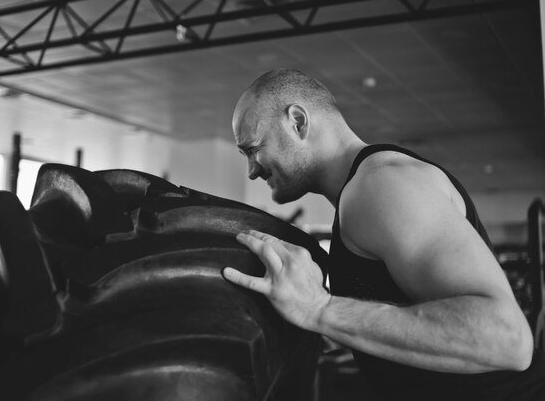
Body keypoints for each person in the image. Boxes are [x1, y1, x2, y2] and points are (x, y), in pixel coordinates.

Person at [222, 68, 545, 400]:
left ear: (298, 122)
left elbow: (507, 339)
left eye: (253, 148)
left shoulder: (379, 187)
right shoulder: (361, 194)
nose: (251, 170)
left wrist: (320, 309)